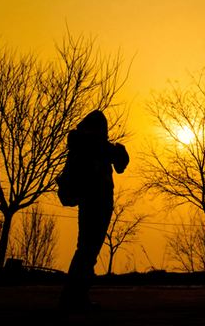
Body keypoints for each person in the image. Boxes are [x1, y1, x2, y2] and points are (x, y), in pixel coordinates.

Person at [59, 110, 129, 311]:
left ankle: (73, 297)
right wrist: (119, 151)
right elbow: (121, 164)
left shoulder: (79, 145)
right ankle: (74, 298)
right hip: (98, 200)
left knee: (85, 250)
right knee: (88, 251)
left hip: (87, 201)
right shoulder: (97, 144)